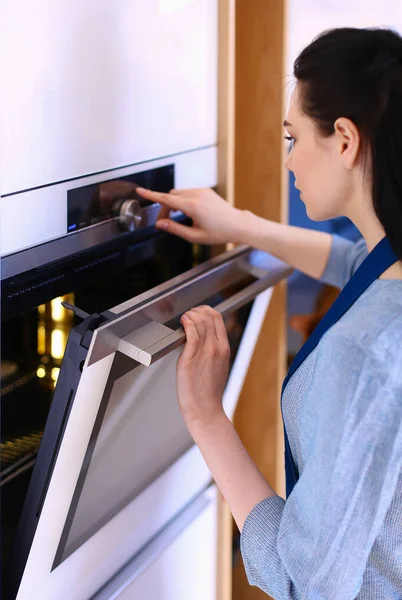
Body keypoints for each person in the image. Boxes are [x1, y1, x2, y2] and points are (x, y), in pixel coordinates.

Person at [136, 27, 402, 600]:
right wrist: (242, 226)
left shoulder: (364, 352)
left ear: (346, 140)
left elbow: (304, 586)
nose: (288, 161)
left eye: (293, 137)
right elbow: (357, 264)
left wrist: (206, 413)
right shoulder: (391, 269)